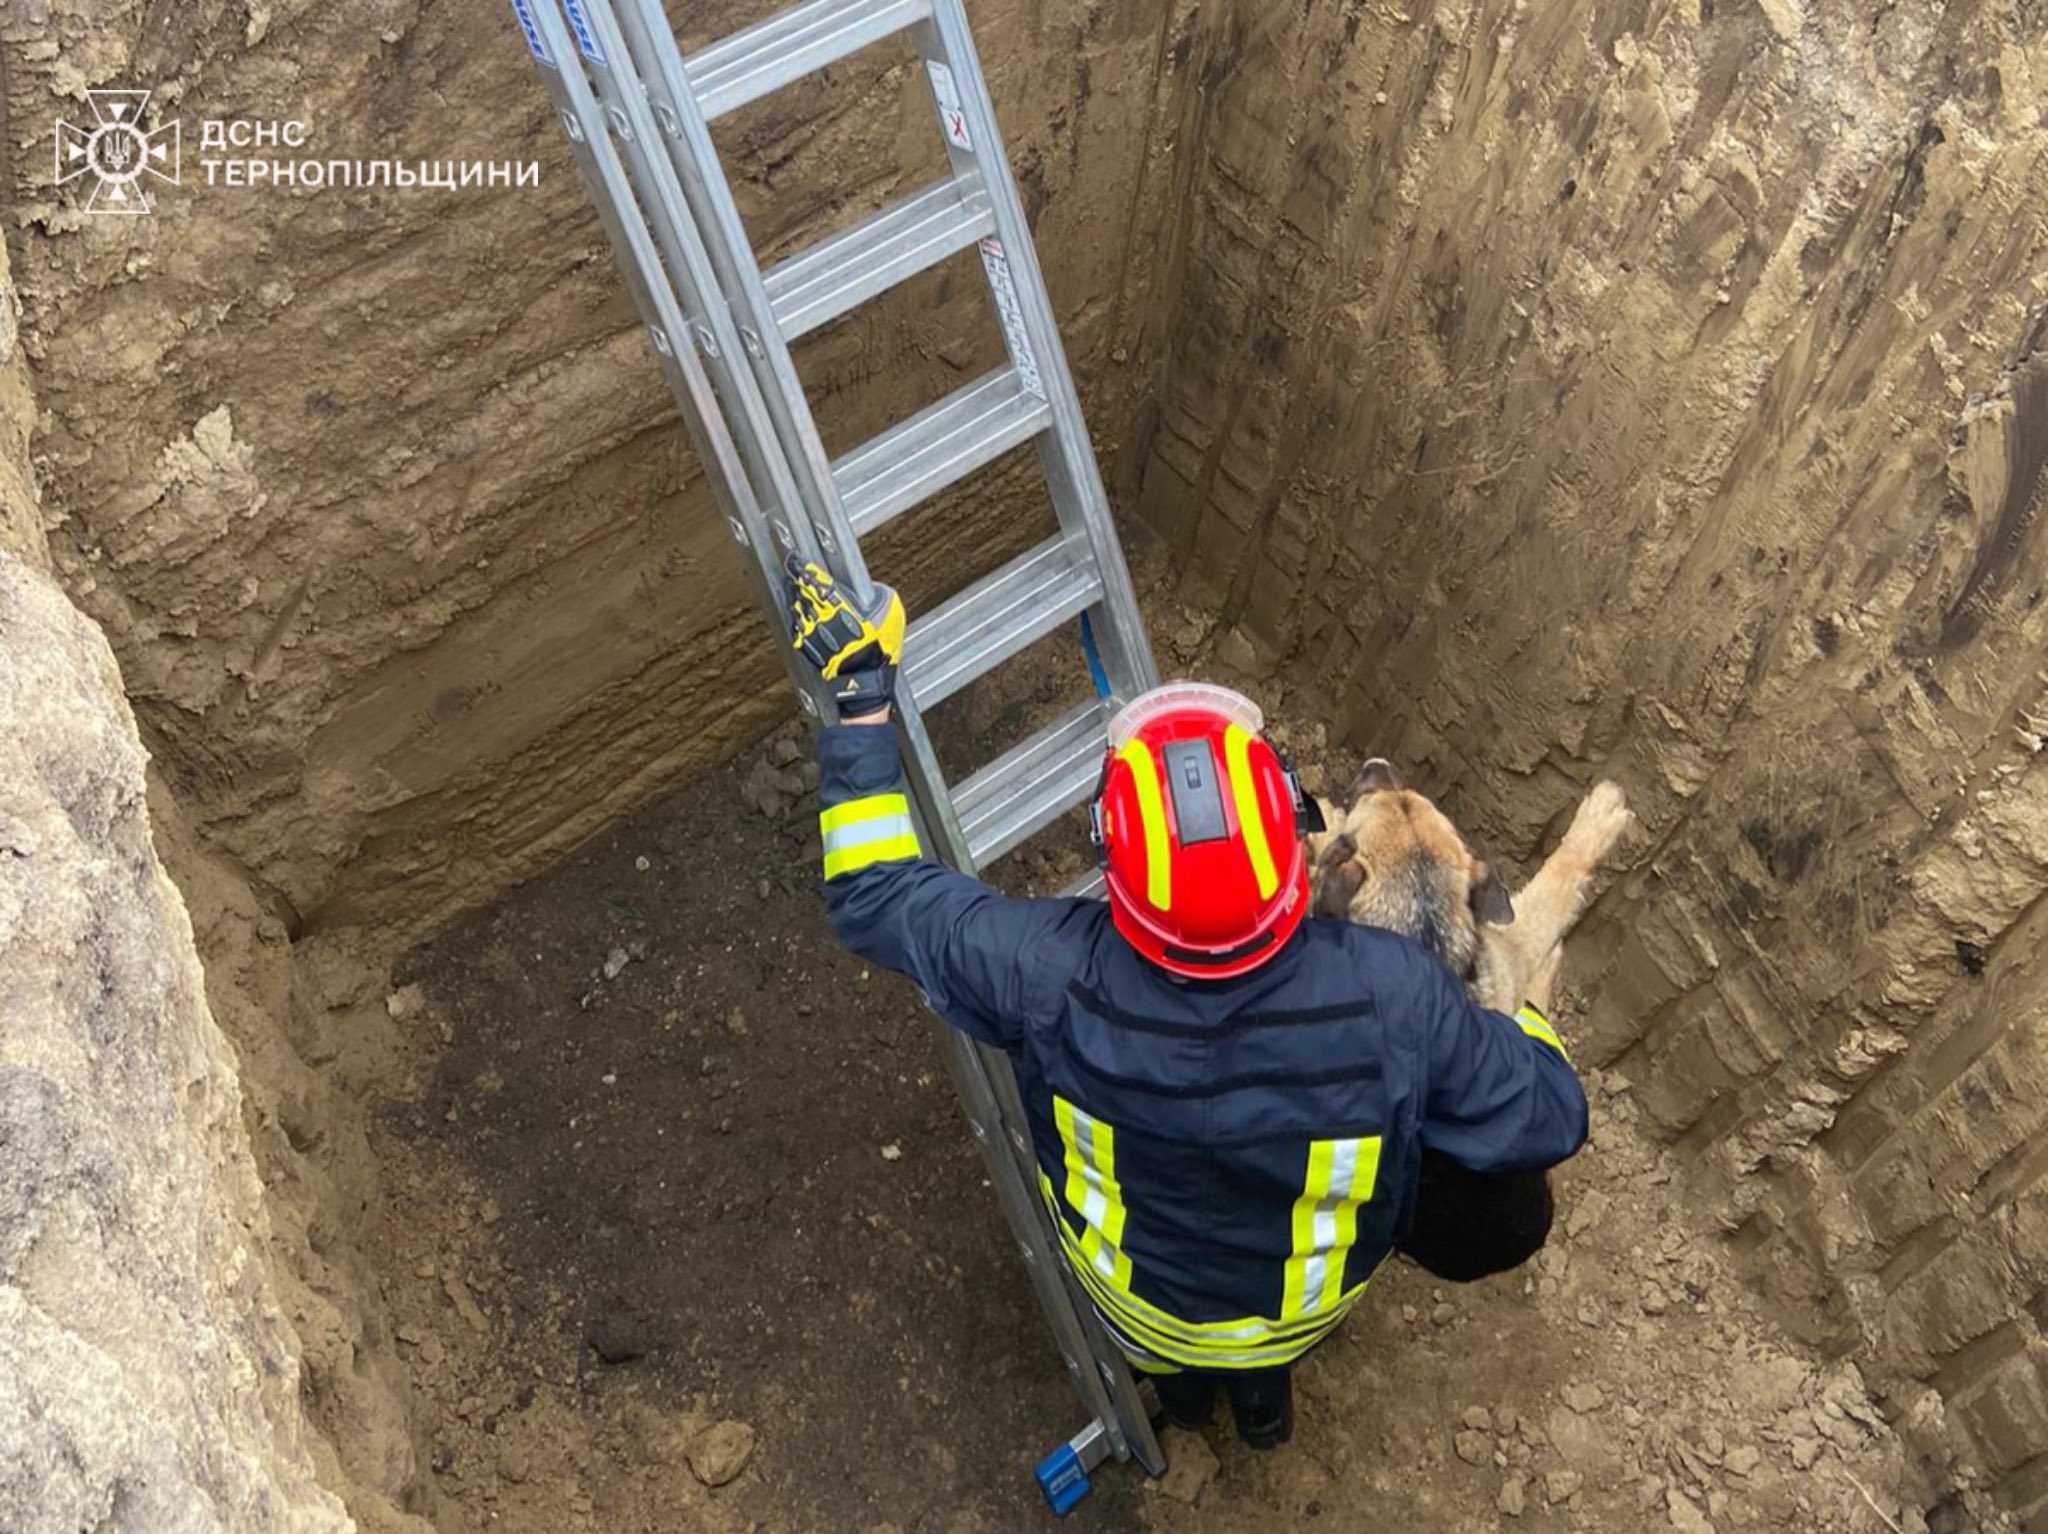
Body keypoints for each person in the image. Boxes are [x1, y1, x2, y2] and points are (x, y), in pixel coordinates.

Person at [787, 558, 1588, 1450]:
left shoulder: (1043, 969)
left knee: (1172, 1349)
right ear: (1294, 856)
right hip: (1299, 1314)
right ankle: (1262, 1412)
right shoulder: (1394, 994)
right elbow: (1552, 1117)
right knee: (1262, 1351)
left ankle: (1189, 1400)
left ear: (1116, 878)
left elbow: (871, 895)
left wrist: (861, 702)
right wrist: (1528, 1019)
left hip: (1134, 1304)